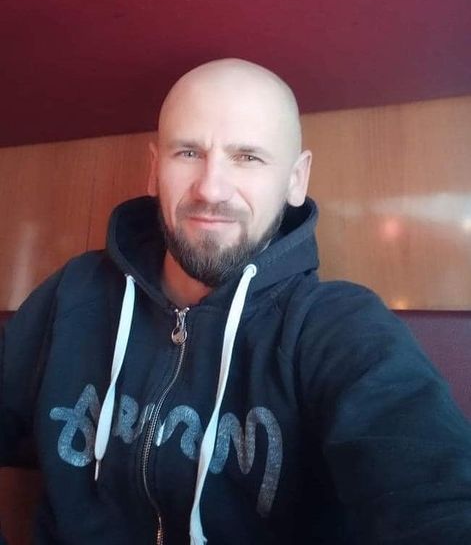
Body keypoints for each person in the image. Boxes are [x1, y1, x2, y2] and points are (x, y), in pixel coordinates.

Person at [1, 58, 471, 545]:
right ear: (154, 169)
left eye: (247, 157)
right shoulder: (75, 293)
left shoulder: (339, 328)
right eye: (188, 152)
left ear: (296, 179)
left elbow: (437, 496)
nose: (211, 188)